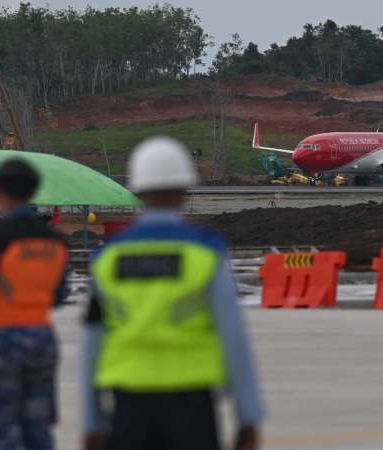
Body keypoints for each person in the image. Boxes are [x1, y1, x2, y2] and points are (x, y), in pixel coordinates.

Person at [82, 137, 264, 450]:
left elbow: (92, 344)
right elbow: (233, 337)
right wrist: (248, 415)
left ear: (137, 190)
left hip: (129, 404)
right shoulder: (205, 254)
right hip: (191, 403)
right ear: (184, 191)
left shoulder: (108, 259)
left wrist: (91, 420)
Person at [0, 159, 69, 450]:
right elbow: (59, 294)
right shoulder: (55, 241)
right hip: (41, 340)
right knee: (37, 428)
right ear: (34, 191)